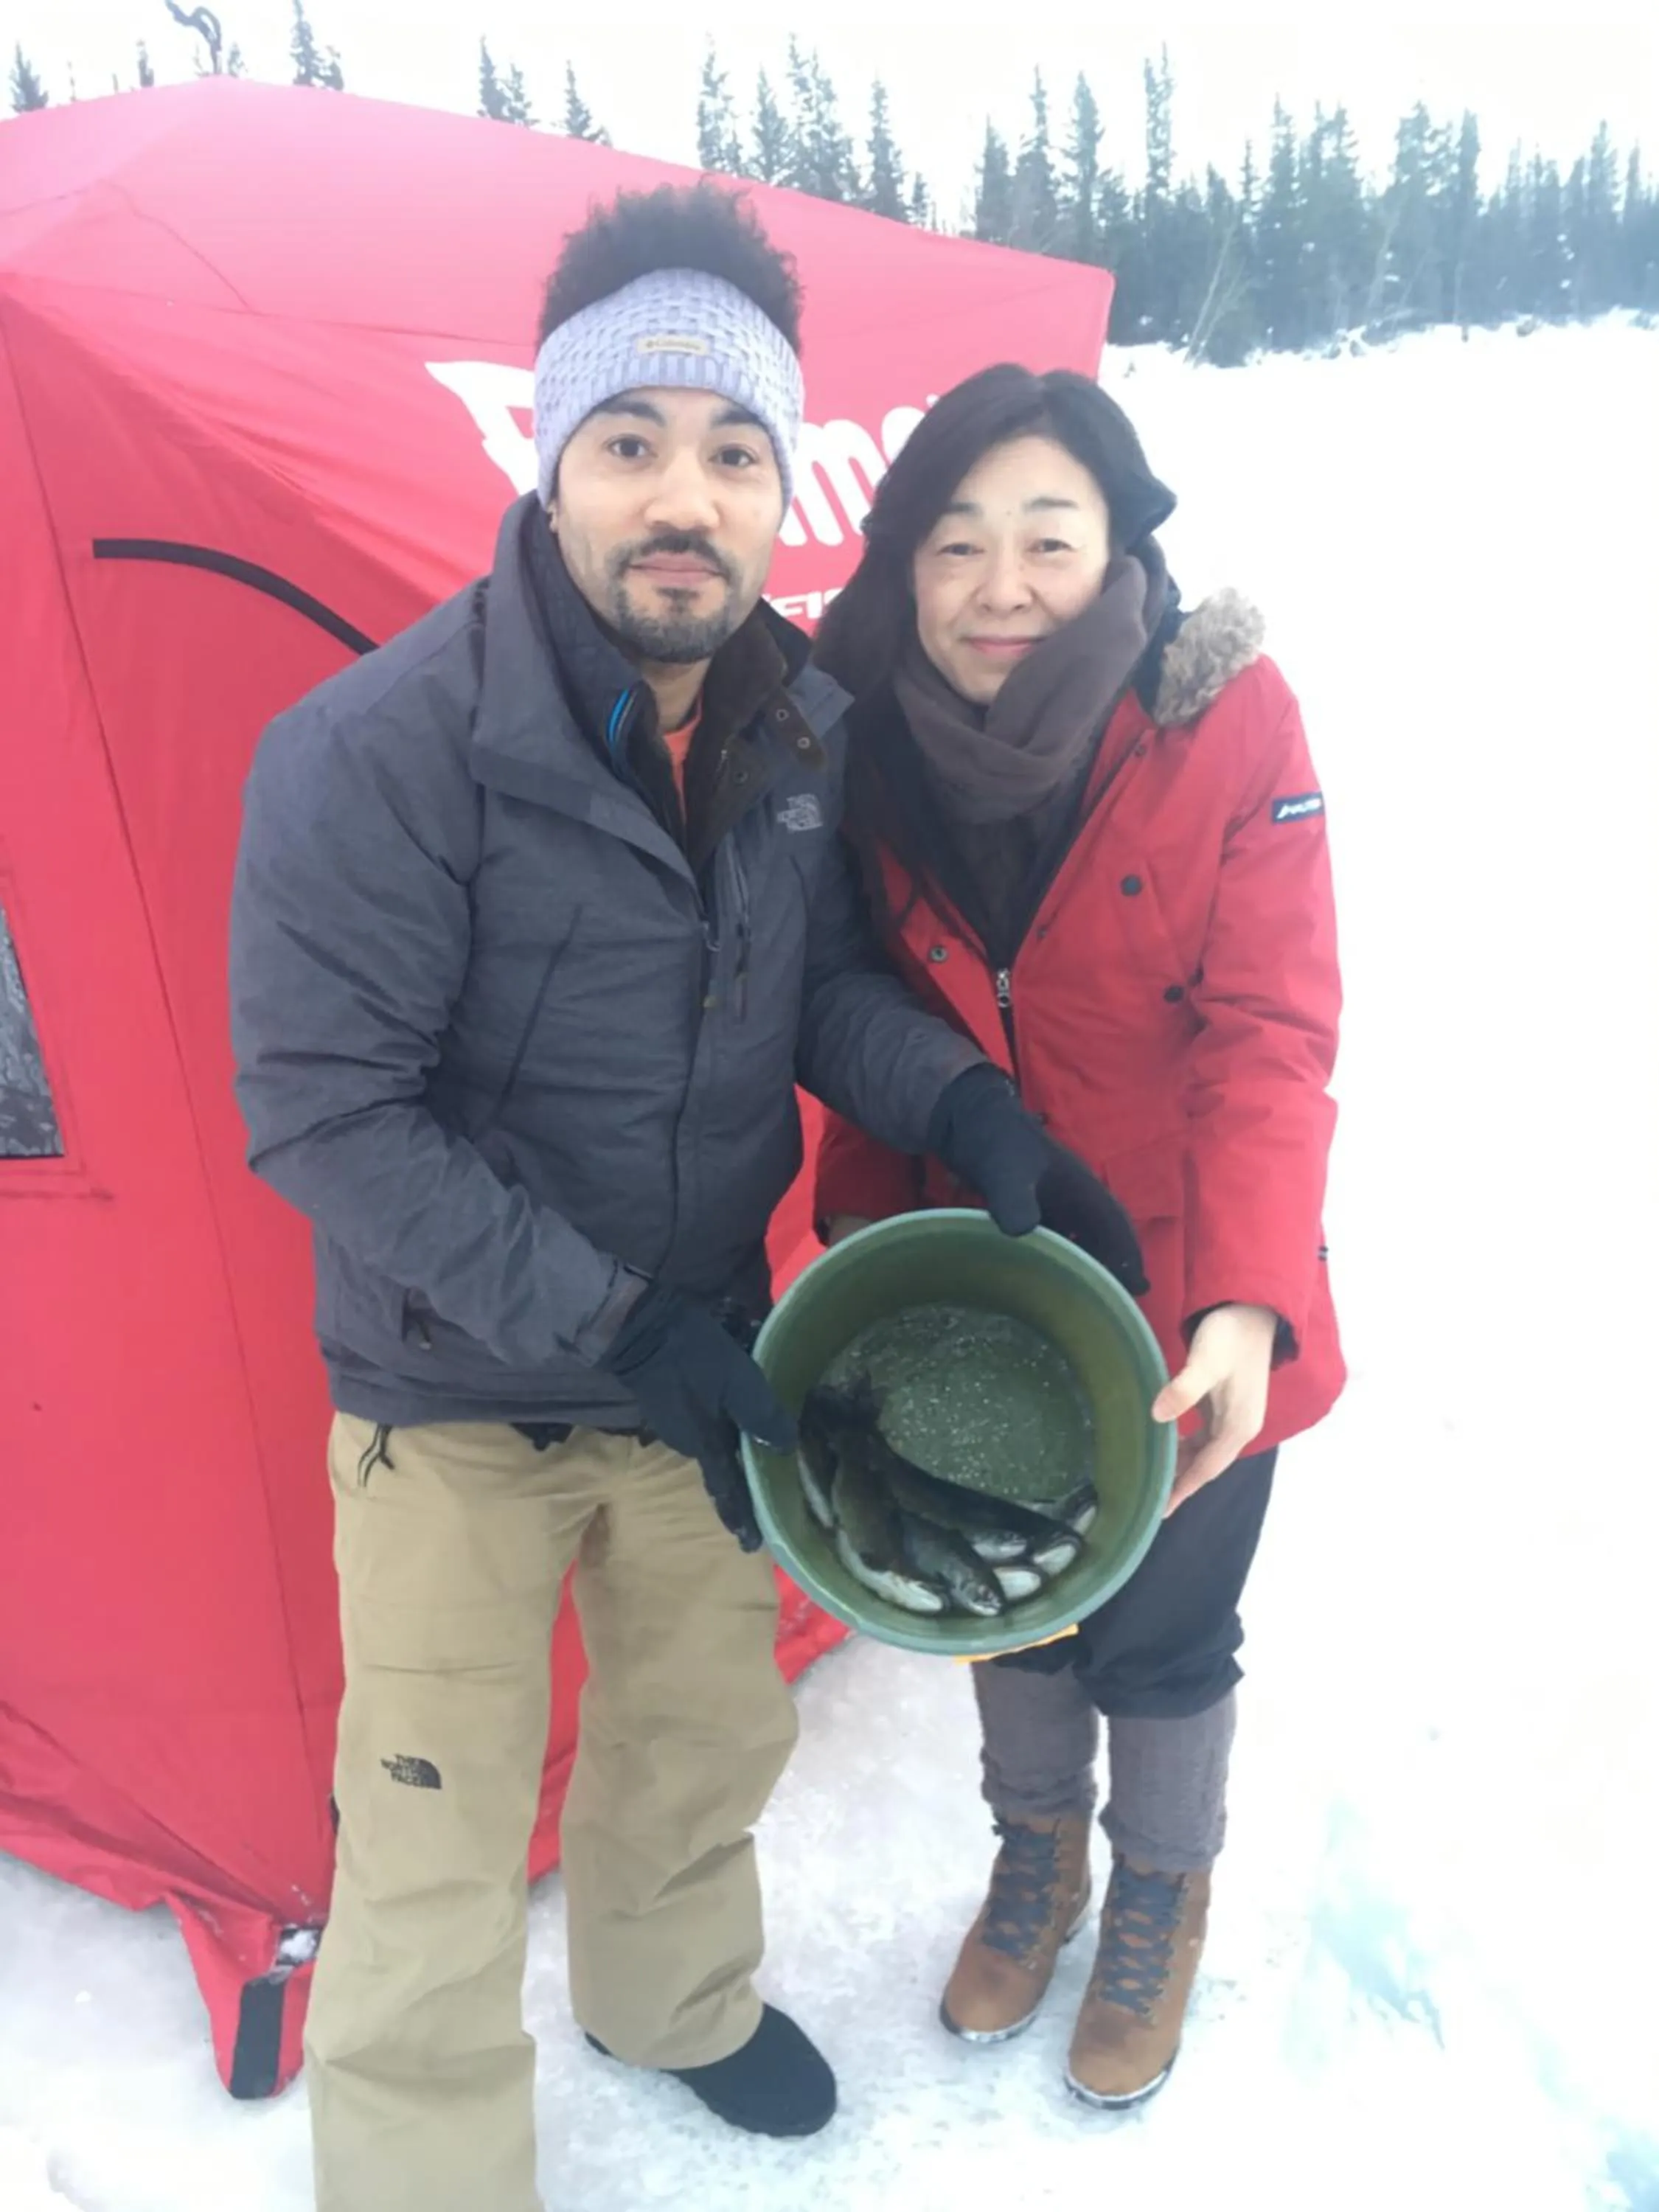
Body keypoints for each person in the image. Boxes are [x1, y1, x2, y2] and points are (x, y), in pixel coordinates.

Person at [229, 190, 1143, 2212]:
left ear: (774, 488)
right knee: (438, 1825)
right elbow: (322, 1117)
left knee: (699, 1748)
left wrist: (973, 1106)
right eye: (631, 440)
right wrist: (612, 1321)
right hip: (452, 1395)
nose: (685, 496)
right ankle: (425, 2178)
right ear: (548, 458)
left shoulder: (798, 722)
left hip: (710, 1368)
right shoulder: (371, 755)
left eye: (735, 452)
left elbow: (813, 981)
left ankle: (673, 2006)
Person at [812, 364, 1344, 2110]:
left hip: (1190, 1284)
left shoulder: (1228, 717)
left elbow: (1273, 1028)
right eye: (956, 541)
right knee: (1011, 1607)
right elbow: (851, 1010)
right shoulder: (859, 736)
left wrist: (1254, 1300)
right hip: (979, 1272)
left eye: (1050, 533)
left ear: (1119, 548)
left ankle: (1161, 1892)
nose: (1001, 583)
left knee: (1167, 1628)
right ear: (906, 563)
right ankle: (1035, 1853)